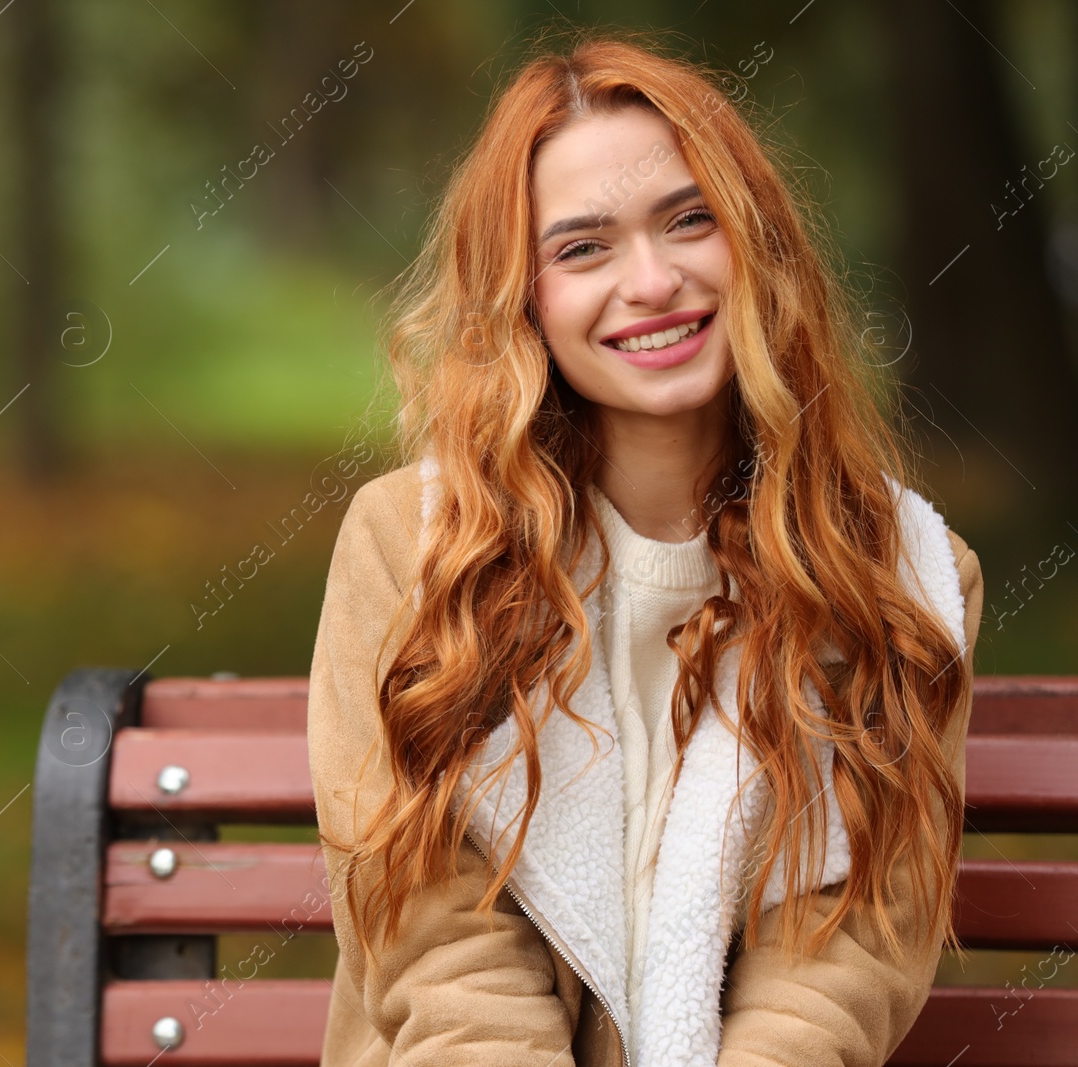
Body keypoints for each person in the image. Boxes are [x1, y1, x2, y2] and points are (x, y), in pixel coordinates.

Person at [306, 29, 983, 1067]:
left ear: (754, 242)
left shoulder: (897, 573)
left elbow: (846, 946)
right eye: (583, 248)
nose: (653, 279)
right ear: (521, 296)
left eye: (688, 221)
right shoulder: (414, 546)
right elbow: (429, 941)